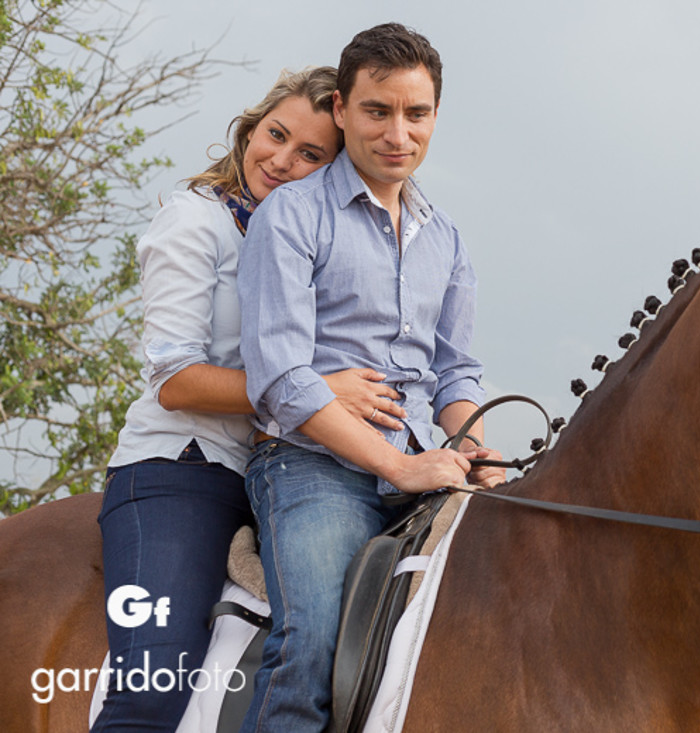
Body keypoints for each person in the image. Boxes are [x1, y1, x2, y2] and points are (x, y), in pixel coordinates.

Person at [94, 67, 394, 731]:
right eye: (276, 134)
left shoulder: (315, 245)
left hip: (294, 471)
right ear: (251, 129)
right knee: (152, 686)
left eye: (311, 154)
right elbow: (175, 380)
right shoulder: (195, 222)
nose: (282, 160)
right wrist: (317, 390)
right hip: (184, 471)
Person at [236, 23, 505, 731]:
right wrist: (401, 465)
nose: (397, 133)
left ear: (435, 117)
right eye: (377, 111)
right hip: (312, 467)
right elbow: (283, 380)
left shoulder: (445, 238)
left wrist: (477, 445)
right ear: (341, 111)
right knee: (314, 642)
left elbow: (457, 369)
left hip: (425, 462)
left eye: (415, 114)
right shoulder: (291, 216)